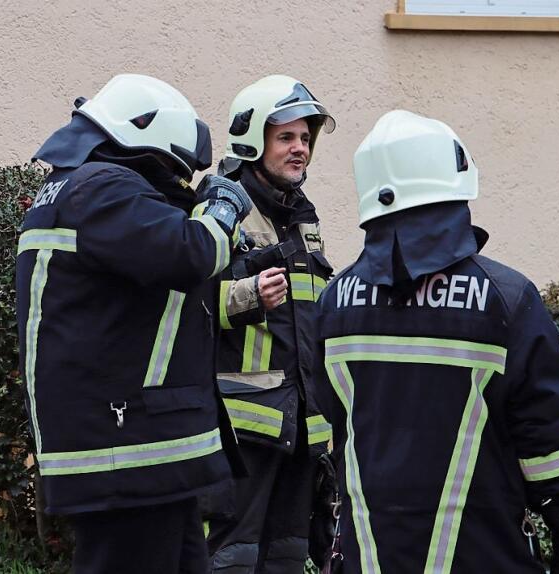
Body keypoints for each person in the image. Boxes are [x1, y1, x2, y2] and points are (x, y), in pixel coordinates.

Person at [314, 110, 559, 573]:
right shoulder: (507, 300)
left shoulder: (334, 302)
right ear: (454, 186)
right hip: (483, 553)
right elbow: (543, 441)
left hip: (367, 555)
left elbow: (333, 420)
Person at [17, 73, 251, 574]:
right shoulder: (103, 188)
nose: (176, 182)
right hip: (125, 451)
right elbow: (192, 251)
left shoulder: (75, 188)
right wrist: (223, 207)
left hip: (135, 452)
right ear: (150, 138)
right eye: (174, 170)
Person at [202, 74, 336, 573]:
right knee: (233, 557)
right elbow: (187, 305)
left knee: (287, 552)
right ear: (252, 139)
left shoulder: (304, 216)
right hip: (242, 427)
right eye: (286, 137)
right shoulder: (222, 209)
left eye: (305, 138)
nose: (300, 148)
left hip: (300, 423)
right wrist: (248, 296)